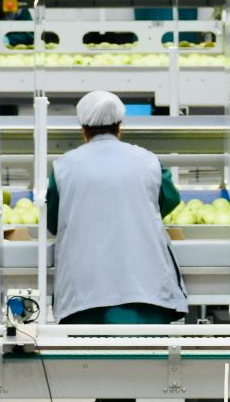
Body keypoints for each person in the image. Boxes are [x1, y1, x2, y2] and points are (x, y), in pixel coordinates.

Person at [45, 90, 187, 327]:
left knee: (87, 363)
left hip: (84, 297)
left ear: (83, 130)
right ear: (120, 127)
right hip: (145, 291)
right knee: (147, 362)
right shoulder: (148, 161)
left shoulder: (63, 167)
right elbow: (169, 198)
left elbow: (53, 222)